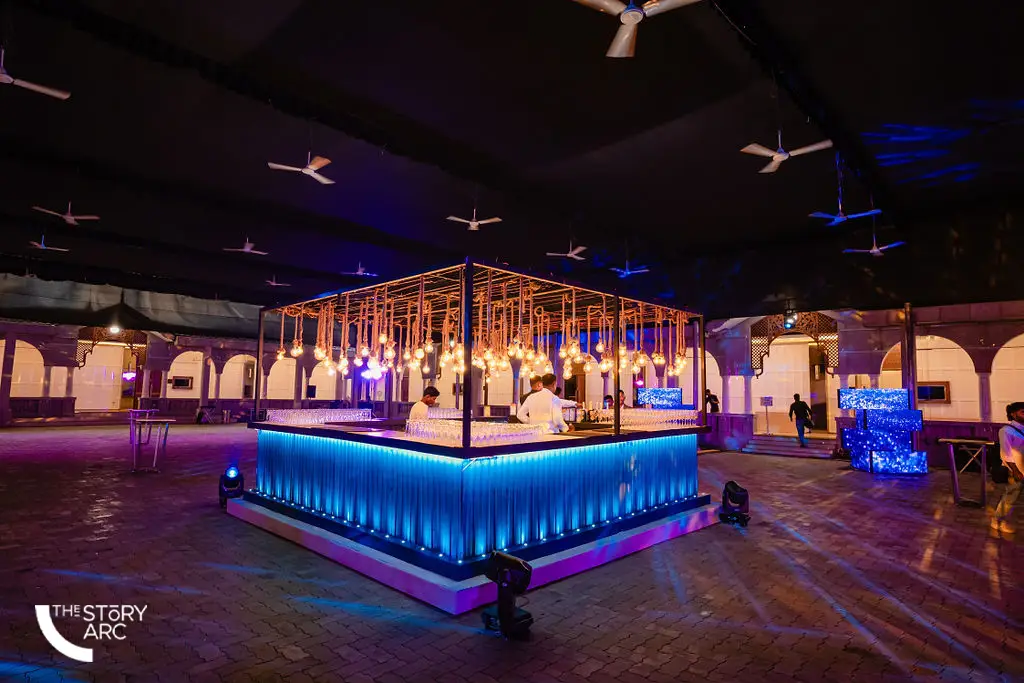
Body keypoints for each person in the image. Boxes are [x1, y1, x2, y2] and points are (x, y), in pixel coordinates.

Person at [993, 402, 1024, 533]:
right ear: (1013, 414)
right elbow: (1006, 454)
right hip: (1016, 471)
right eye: (1023, 412)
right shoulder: (1006, 431)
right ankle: (997, 521)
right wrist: (1016, 471)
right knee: (1010, 498)